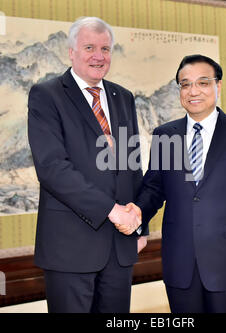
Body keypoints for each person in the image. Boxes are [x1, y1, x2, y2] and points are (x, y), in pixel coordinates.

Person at [121, 54, 226, 313]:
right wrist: (138, 212)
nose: (193, 91)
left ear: (217, 86)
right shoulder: (165, 134)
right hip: (180, 263)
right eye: (185, 84)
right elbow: (155, 188)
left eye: (202, 82)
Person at [28, 16, 147, 313]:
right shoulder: (47, 95)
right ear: (71, 52)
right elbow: (53, 168)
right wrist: (112, 210)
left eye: (105, 49)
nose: (99, 56)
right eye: (89, 47)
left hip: (120, 248)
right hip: (69, 248)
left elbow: (132, 166)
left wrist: (140, 224)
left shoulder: (124, 98)